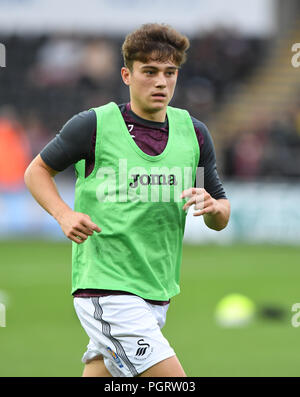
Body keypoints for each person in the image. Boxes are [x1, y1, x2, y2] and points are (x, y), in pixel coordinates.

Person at [24, 23, 230, 377]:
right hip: (107, 289)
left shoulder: (194, 134)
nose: (161, 82)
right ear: (126, 74)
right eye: (149, 72)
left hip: (157, 290)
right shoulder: (93, 126)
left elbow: (218, 210)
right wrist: (63, 215)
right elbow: (36, 171)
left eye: (170, 73)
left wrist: (211, 206)